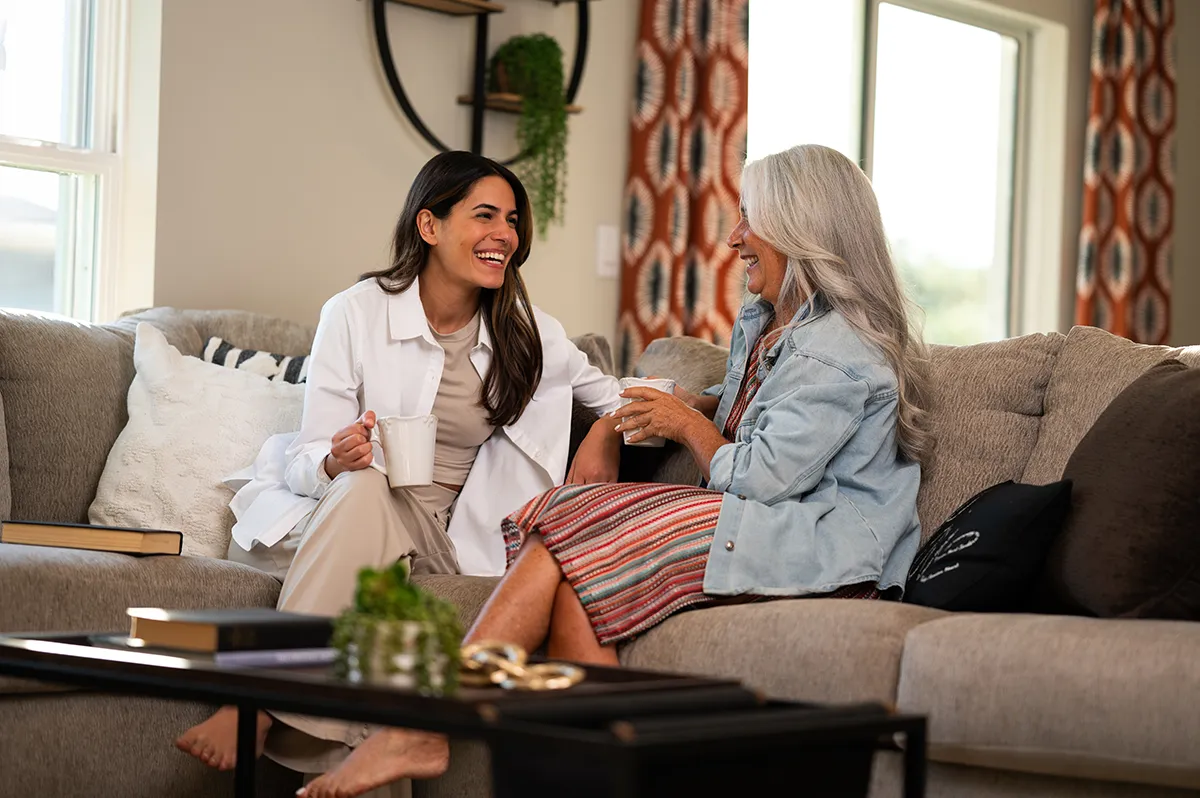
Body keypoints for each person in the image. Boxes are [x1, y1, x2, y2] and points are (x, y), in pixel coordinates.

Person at [294, 142, 933, 797]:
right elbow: (743, 408)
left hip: (819, 539)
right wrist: (619, 422)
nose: (734, 236)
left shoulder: (840, 352)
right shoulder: (768, 318)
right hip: (767, 517)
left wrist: (686, 424)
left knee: (568, 526)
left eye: (750, 219)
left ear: (803, 230)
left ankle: (426, 726)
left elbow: (763, 476)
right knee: (576, 574)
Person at [174, 151, 626, 780]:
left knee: (369, 501)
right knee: (363, 486)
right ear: (429, 225)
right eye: (485, 215)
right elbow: (309, 456)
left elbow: (628, 396)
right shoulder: (355, 313)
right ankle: (339, 750)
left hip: (449, 539)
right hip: (356, 508)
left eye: (513, 220)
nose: (505, 234)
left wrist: (604, 428)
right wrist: (335, 460)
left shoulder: (530, 331)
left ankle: (258, 705)